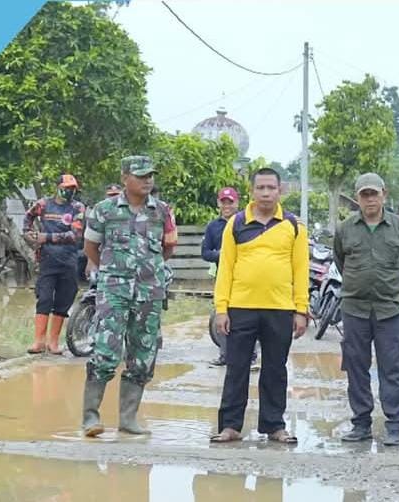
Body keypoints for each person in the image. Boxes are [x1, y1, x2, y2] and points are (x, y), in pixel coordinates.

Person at [81, 156, 178, 437]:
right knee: (105, 353)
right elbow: (91, 248)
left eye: (151, 175)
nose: (148, 180)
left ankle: (128, 419)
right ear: (125, 178)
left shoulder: (162, 211)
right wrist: (114, 273)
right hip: (114, 293)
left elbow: (167, 249)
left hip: (149, 293)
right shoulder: (104, 210)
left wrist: (149, 270)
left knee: (143, 356)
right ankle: (90, 417)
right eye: (141, 175)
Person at [210, 168, 309, 443]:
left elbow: (301, 270)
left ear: (280, 191)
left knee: (275, 369)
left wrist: (301, 310)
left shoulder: (293, 226)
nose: (266, 193)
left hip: (280, 308)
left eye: (271, 188)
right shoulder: (237, 223)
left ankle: (274, 425)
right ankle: (230, 426)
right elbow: (225, 268)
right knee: (236, 368)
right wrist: (222, 308)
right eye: (261, 188)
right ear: (251, 191)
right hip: (241, 308)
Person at [333, 172, 399, 446]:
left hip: (388, 309)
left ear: (384, 194)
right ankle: (361, 424)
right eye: (364, 195)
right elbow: (341, 260)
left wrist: (388, 287)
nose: (370, 199)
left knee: (393, 367)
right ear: (357, 198)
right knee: (356, 366)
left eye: (374, 194)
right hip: (354, 308)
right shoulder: (345, 228)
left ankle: (394, 424)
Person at [23, 174, 86, 355]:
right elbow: (28, 217)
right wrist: (28, 233)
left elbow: (75, 235)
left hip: (69, 261)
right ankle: (38, 342)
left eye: (73, 189)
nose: (69, 192)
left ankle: (53, 342)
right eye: (67, 188)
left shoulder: (77, 208)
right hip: (47, 260)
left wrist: (46, 237)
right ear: (58, 187)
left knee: (63, 301)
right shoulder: (43, 204)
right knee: (44, 299)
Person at [202, 187, 256, 368]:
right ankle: (224, 355)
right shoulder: (213, 227)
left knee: (249, 314)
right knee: (222, 314)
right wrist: (223, 255)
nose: (227, 206)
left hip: (245, 277)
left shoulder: (247, 223)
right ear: (218, 203)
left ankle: (252, 354)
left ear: (237, 203)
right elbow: (206, 253)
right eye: (223, 202)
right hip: (222, 277)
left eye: (230, 202)